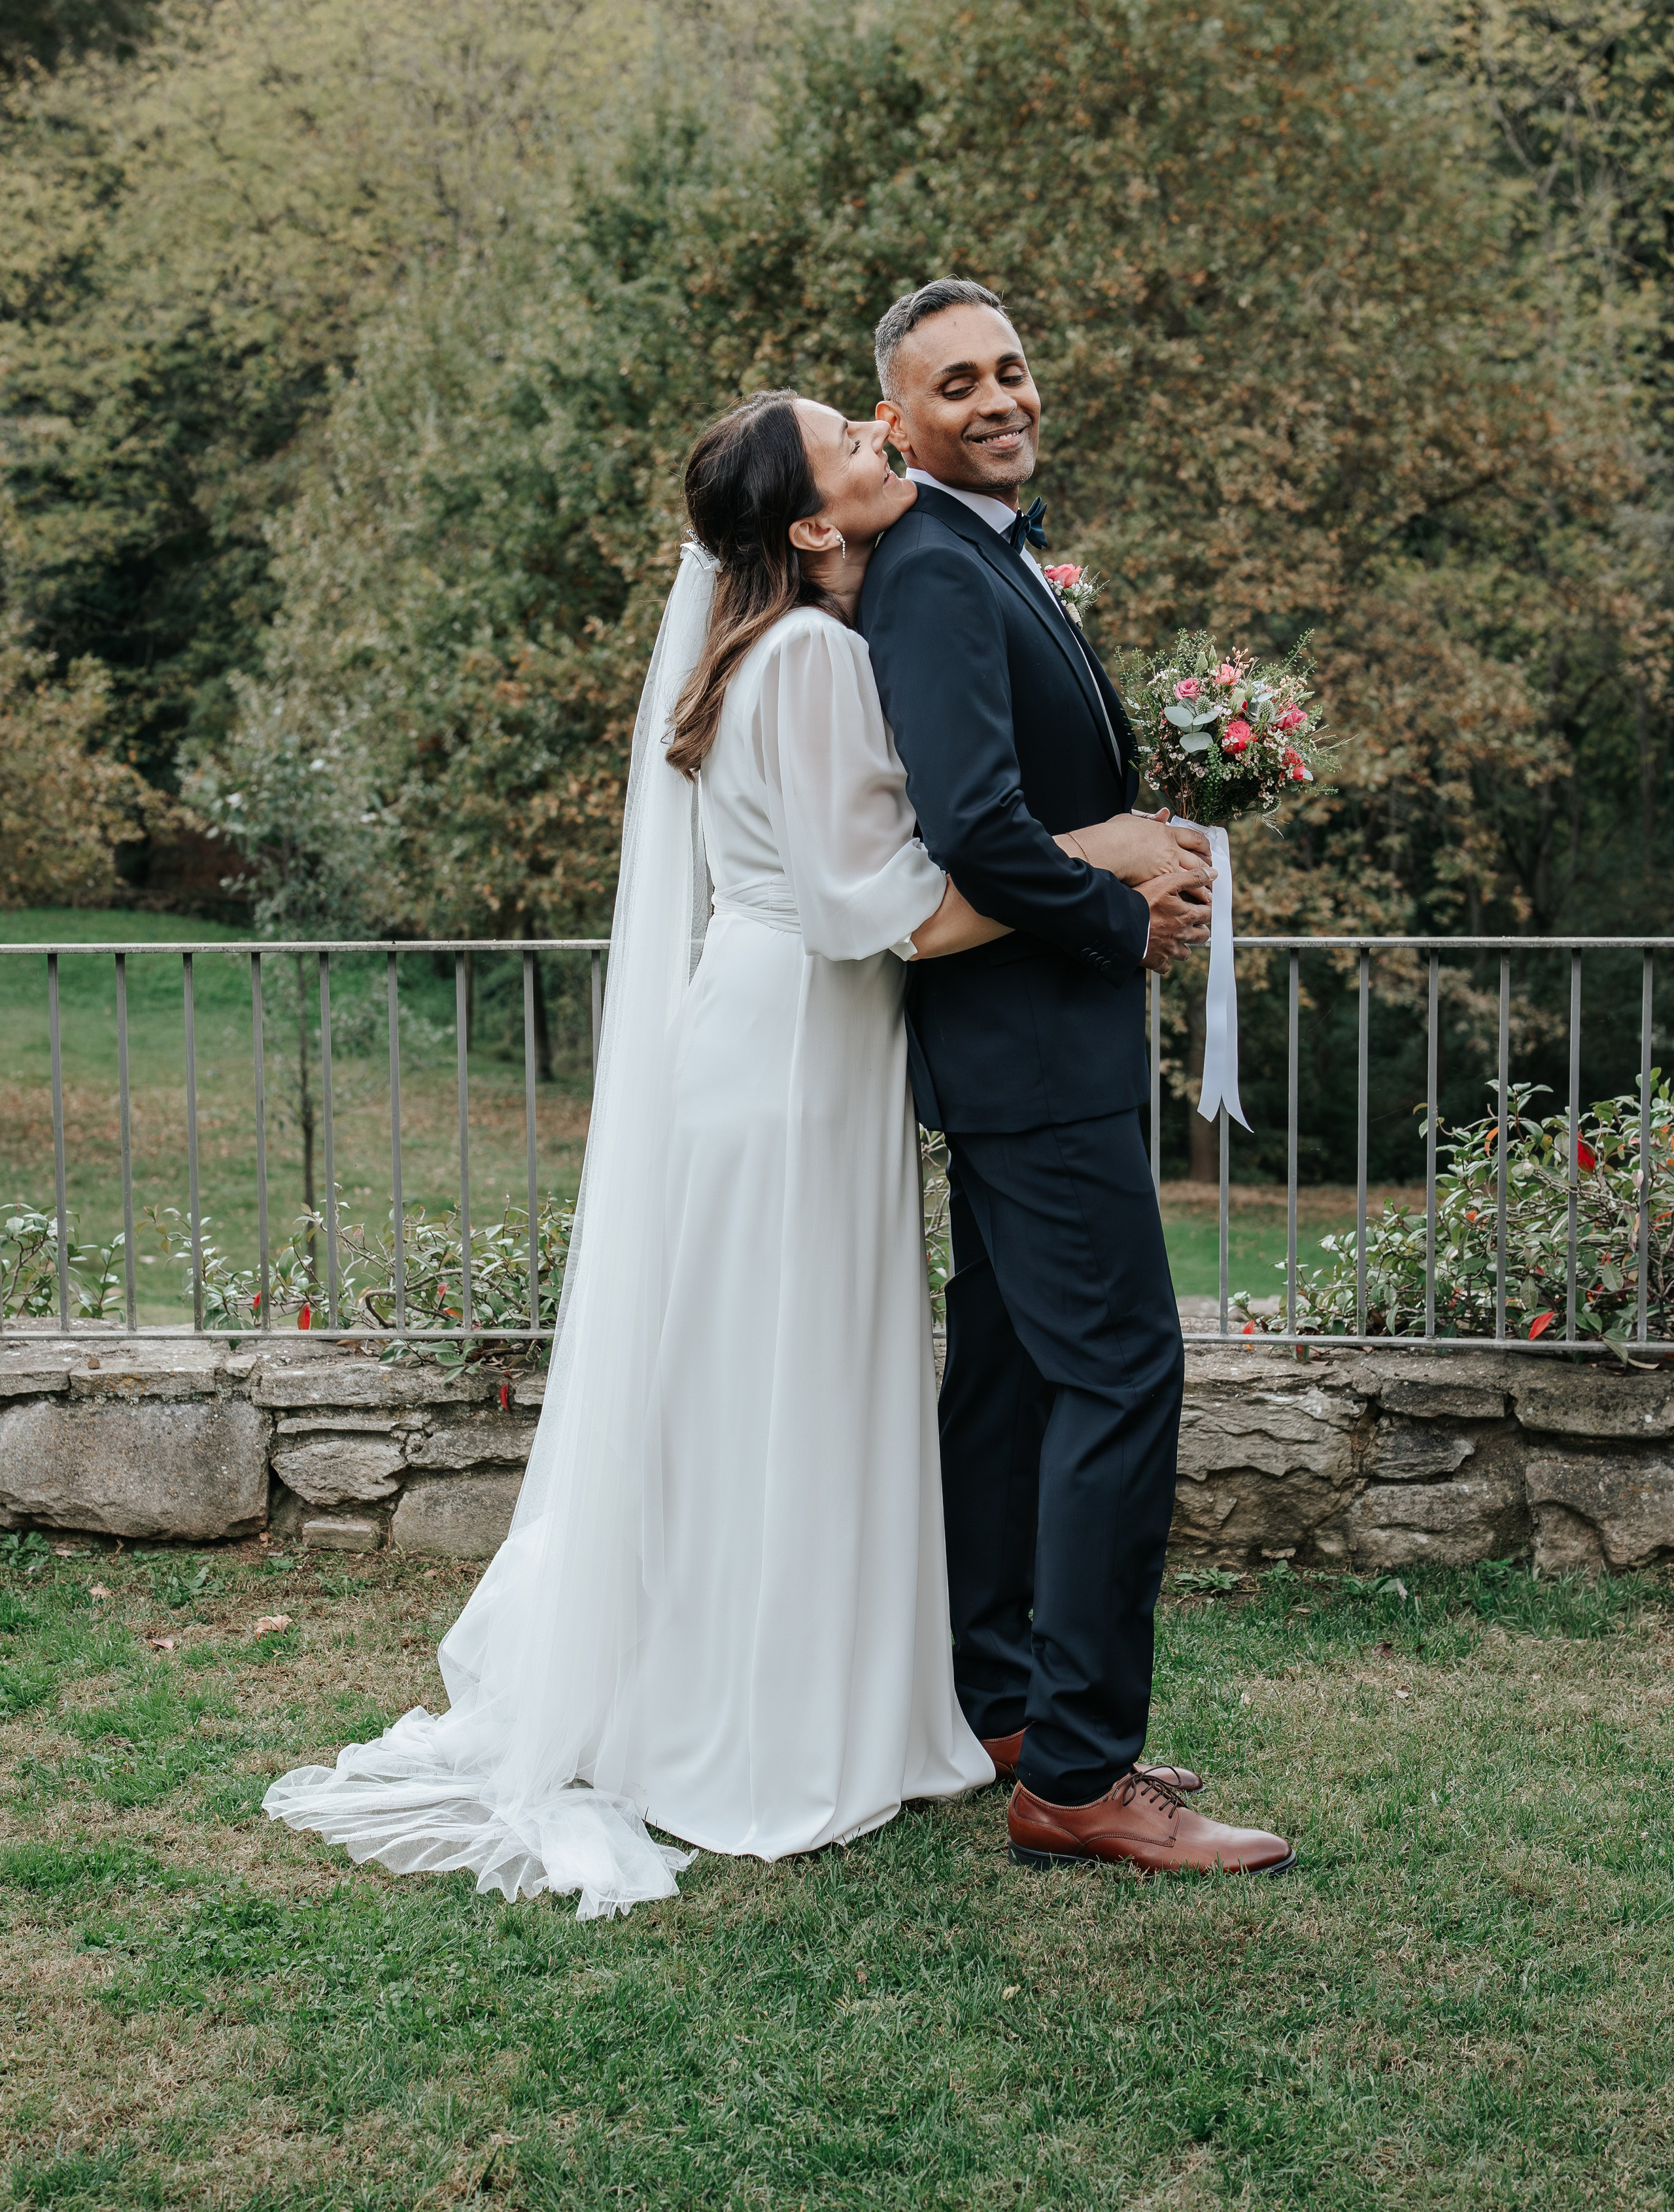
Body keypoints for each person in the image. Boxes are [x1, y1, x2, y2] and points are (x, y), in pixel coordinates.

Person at [264, 390, 1206, 1916]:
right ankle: (767, 1736)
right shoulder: (820, 655)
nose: (878, 425)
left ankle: (753, 1692)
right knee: (792, 1383)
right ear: (812, 524)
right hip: (794, 1055)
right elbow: (884, 910)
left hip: (764, 1041)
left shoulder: (746, 654)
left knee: (748, 1389)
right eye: (847, 431)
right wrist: (1107, 852)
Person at [861, 278, 1295, 1876]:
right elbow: (971, 829)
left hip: (1036, 1055)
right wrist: (1119, 919)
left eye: (1011, 369)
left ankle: (1002, 1708)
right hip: (1028, 1055)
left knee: (1013, 1379)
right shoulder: (928, 571)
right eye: (954, 382)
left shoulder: (996, 557)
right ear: (895, 423)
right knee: (1124, 1375)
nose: (996, 397)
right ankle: (1083, 1776)